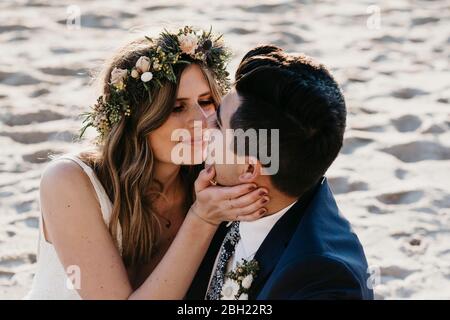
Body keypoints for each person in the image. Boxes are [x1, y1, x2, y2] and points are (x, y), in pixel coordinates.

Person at [25, 26, 270, 300]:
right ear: (138, 118)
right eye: (177, 108)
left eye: (206, 101)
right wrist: (202, 218)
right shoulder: (69, 181)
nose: (201, 121)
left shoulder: (210, 176)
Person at [187, 45, 374, 300]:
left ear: (250, 168)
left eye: (219, 124)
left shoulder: (323, 282)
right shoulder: (233, 193)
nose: (205, 125)